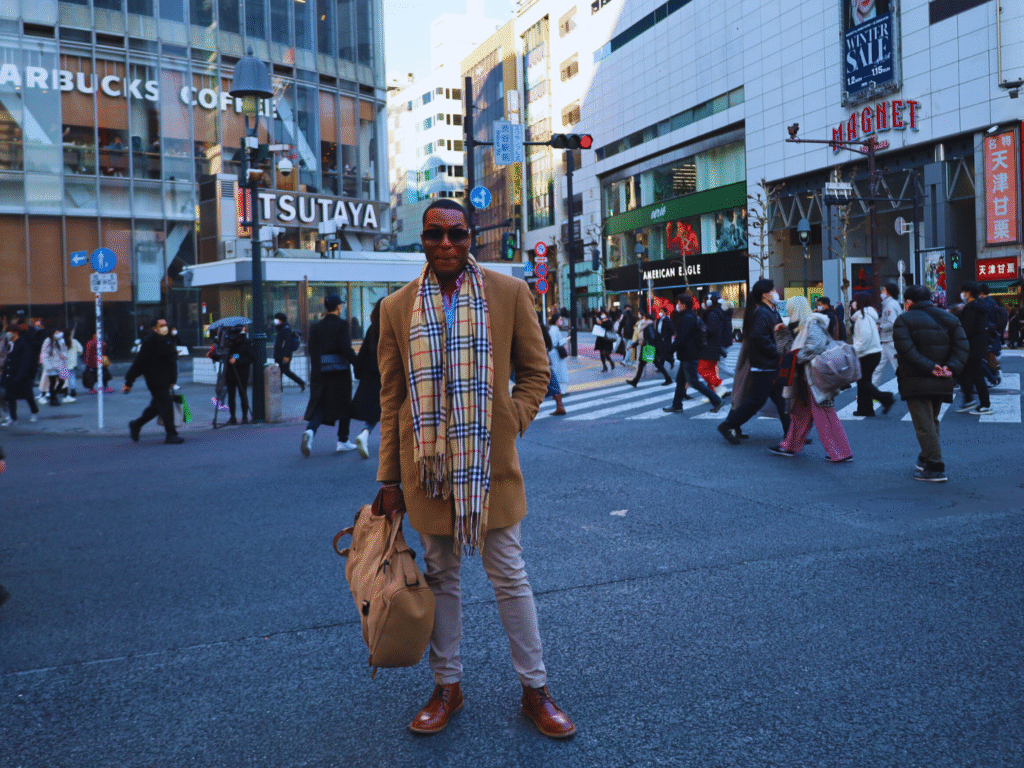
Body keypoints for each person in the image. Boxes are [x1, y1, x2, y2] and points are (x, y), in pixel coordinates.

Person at [375, 199, 575, 739]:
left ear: (472, 237)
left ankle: (536, 689)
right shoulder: (396, 307)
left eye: (456, 234)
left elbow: (536, 373)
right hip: (428, 470)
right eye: (434, 235)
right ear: (421, 239)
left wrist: (511, 420)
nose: (445, 244)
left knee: (510, 575)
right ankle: (448, 686)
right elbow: (392, 397)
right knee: (439, 578)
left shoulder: (508, 293)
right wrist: (388, 480)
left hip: (491, 464)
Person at [892, 284, 968, 482]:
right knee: (931, 421)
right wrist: (950, 367)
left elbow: (906, 350)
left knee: (924, 424)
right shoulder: (949, 318)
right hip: (943, 378)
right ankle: (925, 457)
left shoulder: (903, 320)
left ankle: (935, 466)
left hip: (915, 378)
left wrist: (929, 366)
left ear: (909, 302)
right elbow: (962, 346)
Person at [769, 297, 853, 461]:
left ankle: (841, 451)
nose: (788, 311)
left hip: (815, 375)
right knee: (800, 412)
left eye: (790, 308)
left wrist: (796, 358)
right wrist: (782, 333)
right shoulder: (798, 326)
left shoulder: (812, 323)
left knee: (823, 413)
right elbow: (787, 350)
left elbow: (815, 346)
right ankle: (790, 446)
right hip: (805, 376)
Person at [718, 279, 790, 444]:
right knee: (758, 400)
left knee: (781, 400)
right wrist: (776, 350)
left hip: (770, 364)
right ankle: (728, 425)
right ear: (765, 295)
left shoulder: (771, 311)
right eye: (773, 290)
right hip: (764, 365)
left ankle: (791, 435)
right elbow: (758, 337)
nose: (775, 292)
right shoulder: (762, 313)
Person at [301, 295, 358, 456]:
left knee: (320, 404)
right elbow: (346, 348)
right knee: (345, 404)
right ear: (339, 307)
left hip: (320, 371)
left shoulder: (315, 327)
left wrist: (318, 367)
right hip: (339, 372)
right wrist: (357, 363)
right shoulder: (342, 325)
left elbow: (311, 350)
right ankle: (343, 440)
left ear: (325, 307)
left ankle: (310, 431)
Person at [123, 318, 184, 444]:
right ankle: (171, 434)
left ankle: (136, 424)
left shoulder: (168, 339)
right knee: (166, 404)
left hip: (165, 379)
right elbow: (139, 362)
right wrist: (129, 381)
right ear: (154, 328)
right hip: (155, 379)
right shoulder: (150, 341)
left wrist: (173, 379)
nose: (165, 327)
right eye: (161, 325)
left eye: (166, 324)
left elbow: (172, 362)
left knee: (157, 406)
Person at [663, 295, 723, 413]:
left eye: (679, 303)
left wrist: (669, 352)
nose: (677, 305)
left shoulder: (687, 318)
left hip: (688, 354)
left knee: (693, 381)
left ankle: (716, 400)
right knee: (680, 381)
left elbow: (681, 338)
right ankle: (677, 405)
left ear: (684, 305)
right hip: (688, 354)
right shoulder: (690, 316)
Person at [850, 291, 895, 417]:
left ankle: (885, 398)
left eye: (855, 300)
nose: (853, 303)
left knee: (863, 382)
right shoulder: (868, 315)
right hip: (873, 352)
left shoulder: (862, 317)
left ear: (859, 302)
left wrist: (854, 349)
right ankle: (866, 409)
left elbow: (864, 337)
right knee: (864, 382)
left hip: (867, 353)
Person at [349, 299, 384, 459]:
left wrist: (358, 372)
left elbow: (362, 353)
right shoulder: (394, 326)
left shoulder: (373, 328)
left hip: (370, 373)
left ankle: (365, 433)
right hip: (387, 373)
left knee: (376, 409)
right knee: (390, 409)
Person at [955, 282, 992, 415]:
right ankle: (969, 399)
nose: (962, 294)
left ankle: (985, 405)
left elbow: (966, 330)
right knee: (962, 372)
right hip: (978, 345)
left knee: (976, 376)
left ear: (968, 293)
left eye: (963, 291)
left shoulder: (971, 309)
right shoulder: (981, 307)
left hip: (971, 347)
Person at [210, 326, 253, 425]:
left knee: (243, 394)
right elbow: (225, 356)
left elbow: (246, 357)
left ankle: (245, 417)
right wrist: (213, 355)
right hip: (230, 373)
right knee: (231, 395)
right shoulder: (229, 343)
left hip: (242, 373)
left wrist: (236, 360)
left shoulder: (246, 343)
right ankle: (232, 417)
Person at [1, 325, 40, 424]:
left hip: (22, 376)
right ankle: (13, 418)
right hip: (10, 375)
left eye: (10, 332)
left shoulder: (23, 343)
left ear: (15, 333)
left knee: (28, 396)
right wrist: (5, 374)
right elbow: (8, 360)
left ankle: (34, 412)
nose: (8, 334)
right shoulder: (10, 344)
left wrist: (20, 375)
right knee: (11, 397)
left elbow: (25, 361)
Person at [625, 311, 673, 386]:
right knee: (653, 364)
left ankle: (635, 381)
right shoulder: (647, 325)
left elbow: (651, 338)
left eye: (643, 317)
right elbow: (642, 338)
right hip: (649, 347)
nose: (642, 319)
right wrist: (633, 345)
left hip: (649, 348)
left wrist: (642, 343)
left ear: (646, 318)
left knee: (646, 364)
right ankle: (668, 378)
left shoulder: (649, 326)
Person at [699, 291, 730, 397]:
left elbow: (711, 330)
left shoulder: (711, 314)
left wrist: (701, 329)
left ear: (708, 302)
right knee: (711, 370)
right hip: (714, 346)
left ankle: (719, 387)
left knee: (702, 369)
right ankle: (712, 394)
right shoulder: (716, 313)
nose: (702, 303)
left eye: (703, 301)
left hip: (710, 347)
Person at [873, 282, 902, 387]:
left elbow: (893, 322)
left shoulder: (890, 305)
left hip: (891, 341)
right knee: (878, 368)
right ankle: (872, 392)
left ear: (889, 292)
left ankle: (910, 391)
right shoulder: (890, 304)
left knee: (898, 368)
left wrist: (880, 327)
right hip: (887, 341)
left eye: (884, 290)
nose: (882, 292)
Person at [273, 312, 306, 392]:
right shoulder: (281, 328)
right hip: (280, 354)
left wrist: (286, 356)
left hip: (284, 355)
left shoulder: (286, 329)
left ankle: (300, 382)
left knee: (284, 371)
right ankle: (280, 388)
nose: (275, 321)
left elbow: (288, 343)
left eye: (276, 319)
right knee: (281, 371)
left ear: (280, 320)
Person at [546, 309, 569, 415]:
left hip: (550, 352)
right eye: (560, 319)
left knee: (553, 373)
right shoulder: (555, 329)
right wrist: (567, 339)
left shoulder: (550, 328)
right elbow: (560, 341)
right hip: (556, 352)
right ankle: (560, 394)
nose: (562, 321)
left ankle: (559, 403)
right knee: (557, 373)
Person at [39, 329, 68, 406]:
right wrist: (48, 366)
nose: (58, 334)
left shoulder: (60, 340)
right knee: (53, 382)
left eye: (59, 332)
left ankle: (53, 395)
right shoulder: (48, 340)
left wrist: (64, 356)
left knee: (62, 381)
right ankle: (53, 398)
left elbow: (64, 350)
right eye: (56, 332)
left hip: (60, 364)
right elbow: (44, 353)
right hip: (51, 365)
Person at [62, 329, 83, 402]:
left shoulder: (62, 342)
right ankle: (73, 390)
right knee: (72, 376)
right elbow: (80, 350)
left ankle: (65, 391)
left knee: (64, 377)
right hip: (72, 362)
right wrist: (76, 354)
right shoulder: (75, 341)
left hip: (64, 362)